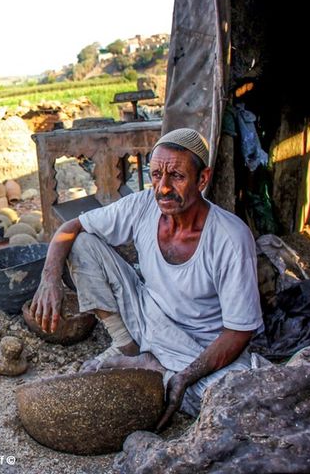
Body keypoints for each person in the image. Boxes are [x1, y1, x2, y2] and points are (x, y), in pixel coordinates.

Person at [29, 127, 264, 430]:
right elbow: (69, 228)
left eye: (176, 176)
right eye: (155, 175)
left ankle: (156, 368)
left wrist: (187, 375)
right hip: (145, 315)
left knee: (232, 405)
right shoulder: (142, 205)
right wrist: (49, 280)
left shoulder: (230, 237)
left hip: (197, 346)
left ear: (202, 179)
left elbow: (238, 332)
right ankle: (128, 347)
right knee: (82, 242)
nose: (162, 188)